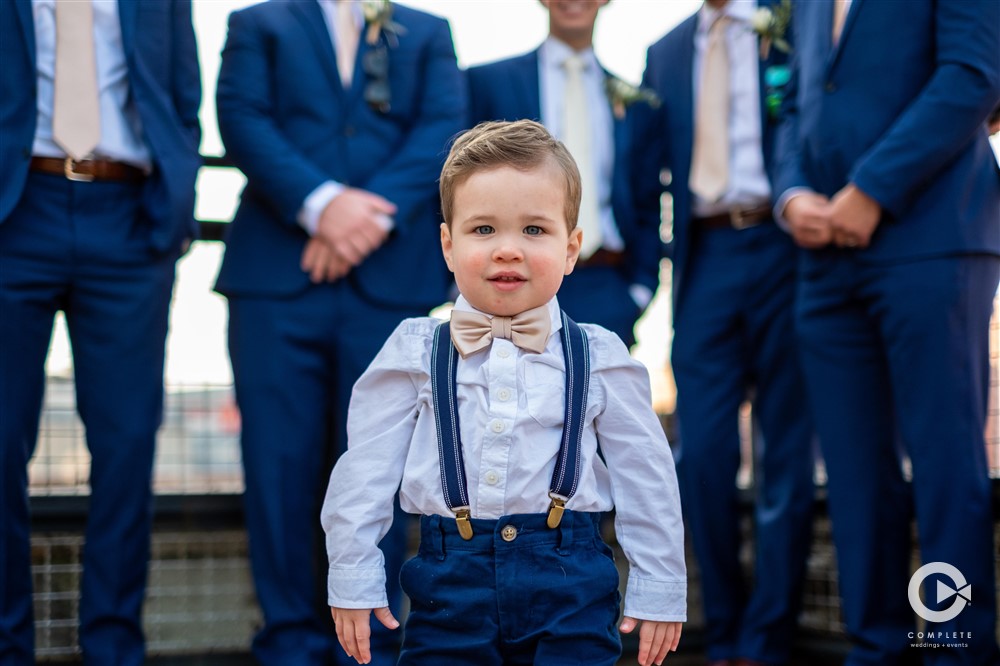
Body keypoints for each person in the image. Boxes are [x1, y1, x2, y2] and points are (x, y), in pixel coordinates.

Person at [320, 120, 686, 666]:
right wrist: (353, 573)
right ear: (448, 244)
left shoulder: (601, 355)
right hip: (448, 583)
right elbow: (364, 471)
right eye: (484, 230)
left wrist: (659, 586)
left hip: (573, 579)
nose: (508, 250)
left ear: (571, 248)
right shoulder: (415, 350)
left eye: (534, 231)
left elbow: (646, 474)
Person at [214, 1, 465, 664]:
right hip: (276, 279)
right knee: (277, 472)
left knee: (379, 473)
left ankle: (373, 651)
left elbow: (443, 126)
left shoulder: (430, 31)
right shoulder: (258, 23)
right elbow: (241, 118)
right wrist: (323, 206)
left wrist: (366, 222)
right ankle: (289, 645)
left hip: (389, 283)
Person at [775, 1, 1000, 664]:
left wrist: (871, 188)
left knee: (945, 463)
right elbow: (793, 108)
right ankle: (874, 648)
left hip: (932, 240)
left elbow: (972, 75)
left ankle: (955, 652)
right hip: (822, 262)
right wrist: (790, 198)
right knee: (852, 473)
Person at [0, 1, 201, 664]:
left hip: (128, 217)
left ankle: (114, 648)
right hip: (15, 211)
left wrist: (171, 207)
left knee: (127, 445)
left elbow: (180, 91)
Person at [637, 2, 815, 664]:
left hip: (786, 245)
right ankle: (726, 624)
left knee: (785, 455)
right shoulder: (666, 50)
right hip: (704, 259)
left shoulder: (794, 21)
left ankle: (767, 636)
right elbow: (646, 167)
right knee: (702, 455)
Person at [466, 0, 662, 347]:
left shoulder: (635, 102)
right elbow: (454, 180)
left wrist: (639, 290)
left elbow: (647, 196)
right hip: (511, 283)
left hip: (607, 285)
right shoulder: (487, 83)